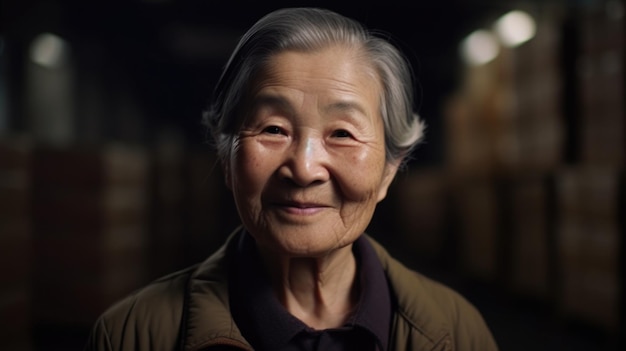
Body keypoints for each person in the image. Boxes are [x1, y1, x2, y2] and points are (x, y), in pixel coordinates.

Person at [85, 7, 498, 351]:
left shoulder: (458, 331)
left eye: (342, 134)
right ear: (226, 154)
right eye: (273, 129)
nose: (303, 168)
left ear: (390, 169)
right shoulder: (131, 336)